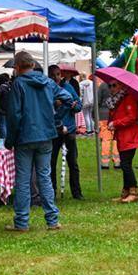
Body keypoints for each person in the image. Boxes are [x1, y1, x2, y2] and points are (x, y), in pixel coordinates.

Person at [5, 51, 72, 232]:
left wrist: (10, 139)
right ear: (33, 65)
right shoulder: (48, 82)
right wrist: (56, 120)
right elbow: (68, 99)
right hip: (45, 135)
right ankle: (52, 220)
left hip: (25, 137)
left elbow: (14, 115)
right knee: (44, 177)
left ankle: (22, 222)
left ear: (17, 67)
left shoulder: (18, 84)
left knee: (23, 179)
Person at [107, 79, 138, 202]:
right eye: (110, 85)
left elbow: (132, 117)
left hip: (130, 136)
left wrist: (116, 123)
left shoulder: (128, 98)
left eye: (114, 85)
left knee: (125, 164)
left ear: (121, 86)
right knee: (125, 164)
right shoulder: (116, 100)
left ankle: (134, 192)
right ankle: (126, 192)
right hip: (122, 136)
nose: (111, 88)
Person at [49, 64, 84, 200]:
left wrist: (75, 106)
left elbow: (79, 104)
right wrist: (54, 104)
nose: (56, 78)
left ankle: (77, 192)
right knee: (51, 162)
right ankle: (52, 191)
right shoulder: (47, 89)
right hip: (54, 130)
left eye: (58, 74)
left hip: (69, 129)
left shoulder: (68, 87)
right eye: (53, 75)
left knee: (73, 162)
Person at [97, 80, 120, 169]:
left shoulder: (103, 85)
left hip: (104, 115)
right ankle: (117, 161)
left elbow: (97, 101)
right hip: (115, 115)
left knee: (105, 139)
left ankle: (105, 163)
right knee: (115, 139)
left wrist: (94, 115)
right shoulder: (119, 85)